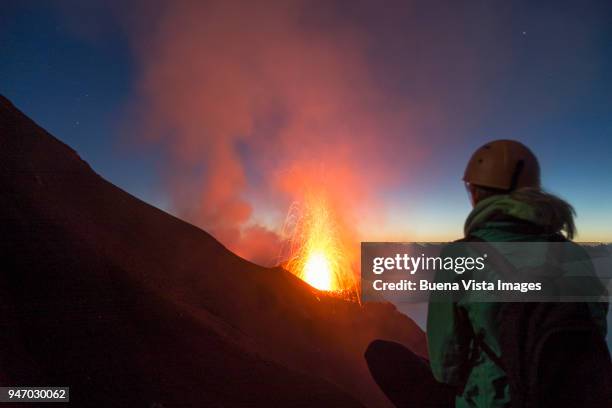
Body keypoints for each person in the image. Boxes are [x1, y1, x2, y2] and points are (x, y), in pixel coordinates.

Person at [365, 140, 610, 408]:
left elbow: (447, 367)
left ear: (475, 193)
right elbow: (595, 330)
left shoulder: (460, 257)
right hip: (572, 397)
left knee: (381, 355)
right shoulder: (575, 255)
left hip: (494, 402)